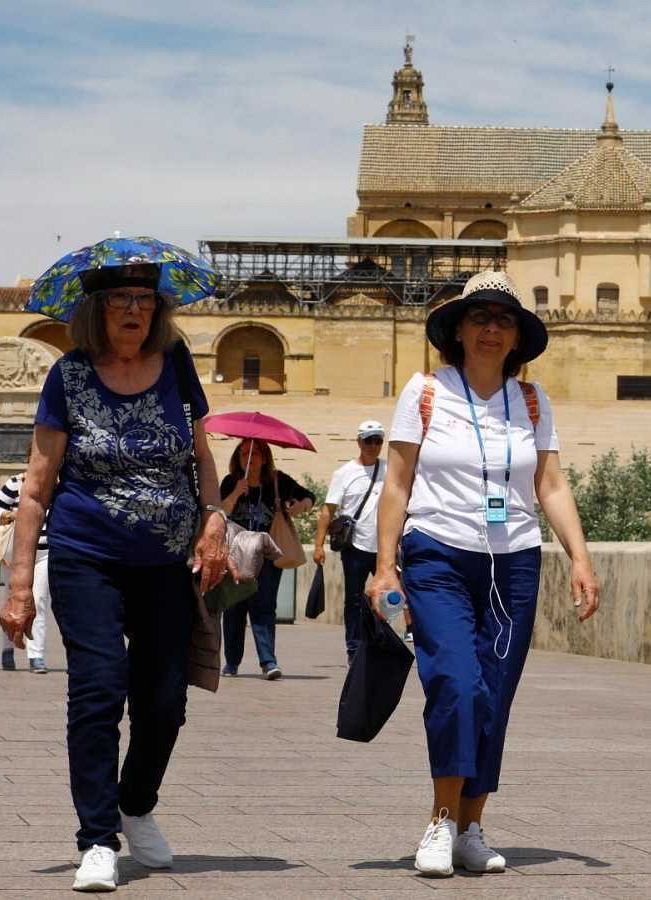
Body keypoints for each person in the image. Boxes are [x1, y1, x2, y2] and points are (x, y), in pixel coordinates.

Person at [0, 261, 229, 893]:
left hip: (166, 562)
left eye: (144, 301)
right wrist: (21, 587)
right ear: (95, 311)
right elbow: (37, 488)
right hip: (85, 556)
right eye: (119, 300)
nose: (133, 310)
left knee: (165, 703)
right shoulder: (68, 376)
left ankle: (137, 803)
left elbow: (204, 459)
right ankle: (97, 838)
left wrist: (213, 520)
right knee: (98, 694)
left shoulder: (178, 367)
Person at [370, 271, 600, 877]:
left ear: (518, 335)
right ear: (460, 331)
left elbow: (549, 483)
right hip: (437, 552)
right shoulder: (424, 392)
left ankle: (473, 824)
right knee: (457, 681)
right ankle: (441, 822)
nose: (492, 328)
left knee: (494, 695)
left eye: (504, 319)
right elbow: (396, 483)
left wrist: (579, 556)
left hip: (515, 561)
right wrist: (384, 567)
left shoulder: (531, 401)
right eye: (480, 317)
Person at [219, 438, 314, 679]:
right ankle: (231, 662)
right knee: (233, 609)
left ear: (264, 456)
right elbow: (219, 513)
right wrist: (236, 493)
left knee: (263, 608)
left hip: (266, 556)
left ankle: (268, 662)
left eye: (254, 452)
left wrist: (298, 506)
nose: (248, 458)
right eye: (243, 453)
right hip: (235, 555)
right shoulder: (231, 482)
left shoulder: (276, 480)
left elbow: (308, 497)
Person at [314, 421, 388, 662]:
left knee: (387, 597)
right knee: (354, 599)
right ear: (359, 442)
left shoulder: (390, 470)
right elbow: (328, 510)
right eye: (369, 440)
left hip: (384, 546)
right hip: (355, 546)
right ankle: (354, 648)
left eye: (378, 440)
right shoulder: (344, 473)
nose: (374, 445)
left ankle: (382, 641)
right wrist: (318, 545)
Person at [0, 471, 52, 674]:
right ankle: (7, 650)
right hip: (15, 552)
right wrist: (10, 515)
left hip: (45, 552)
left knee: (40, 602)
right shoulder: (16, 482)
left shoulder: (58, 484)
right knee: (11, 602)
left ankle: (36, 656)